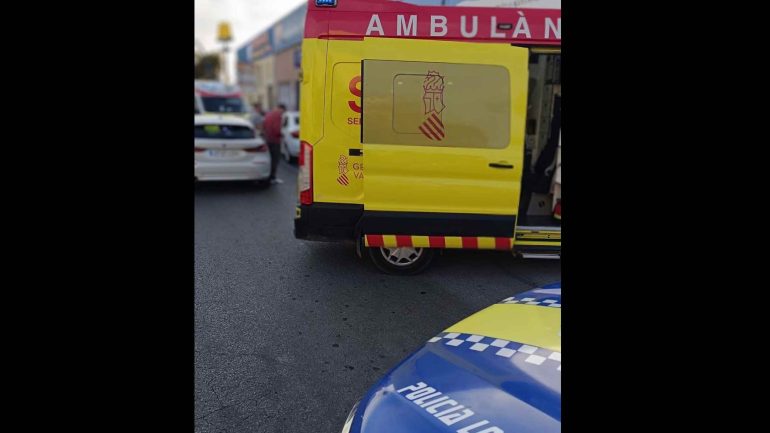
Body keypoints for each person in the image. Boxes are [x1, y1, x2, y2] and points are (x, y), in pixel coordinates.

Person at [262, 104, 286, 184]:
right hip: (275, 141)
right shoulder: (278, 116)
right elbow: (276, 129)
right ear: (281, 109)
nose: (283, 113)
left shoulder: (268, 114)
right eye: (283, 111)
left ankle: (268, 176)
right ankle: (273, 177)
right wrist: (281, 134)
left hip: (268, 139)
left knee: (270, 159)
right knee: (275, 160)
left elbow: (264, 125)